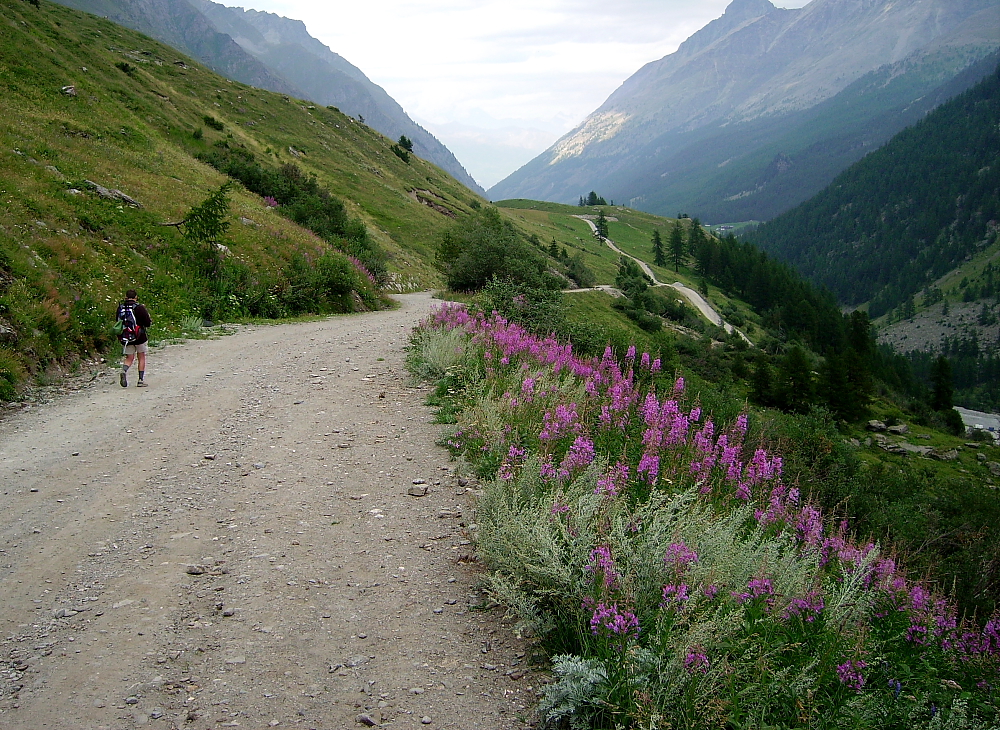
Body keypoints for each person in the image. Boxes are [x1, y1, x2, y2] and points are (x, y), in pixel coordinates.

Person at [117, 289, 152, 388]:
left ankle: (124, 370)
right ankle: (140, 380)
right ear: (136, 297)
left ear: (126, 297)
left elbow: (118, 321)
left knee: (129, 358)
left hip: (126, 337)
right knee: (141, 357)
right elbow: (147, 322)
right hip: (139, 336)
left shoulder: (121, 308)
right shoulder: (139, 307)